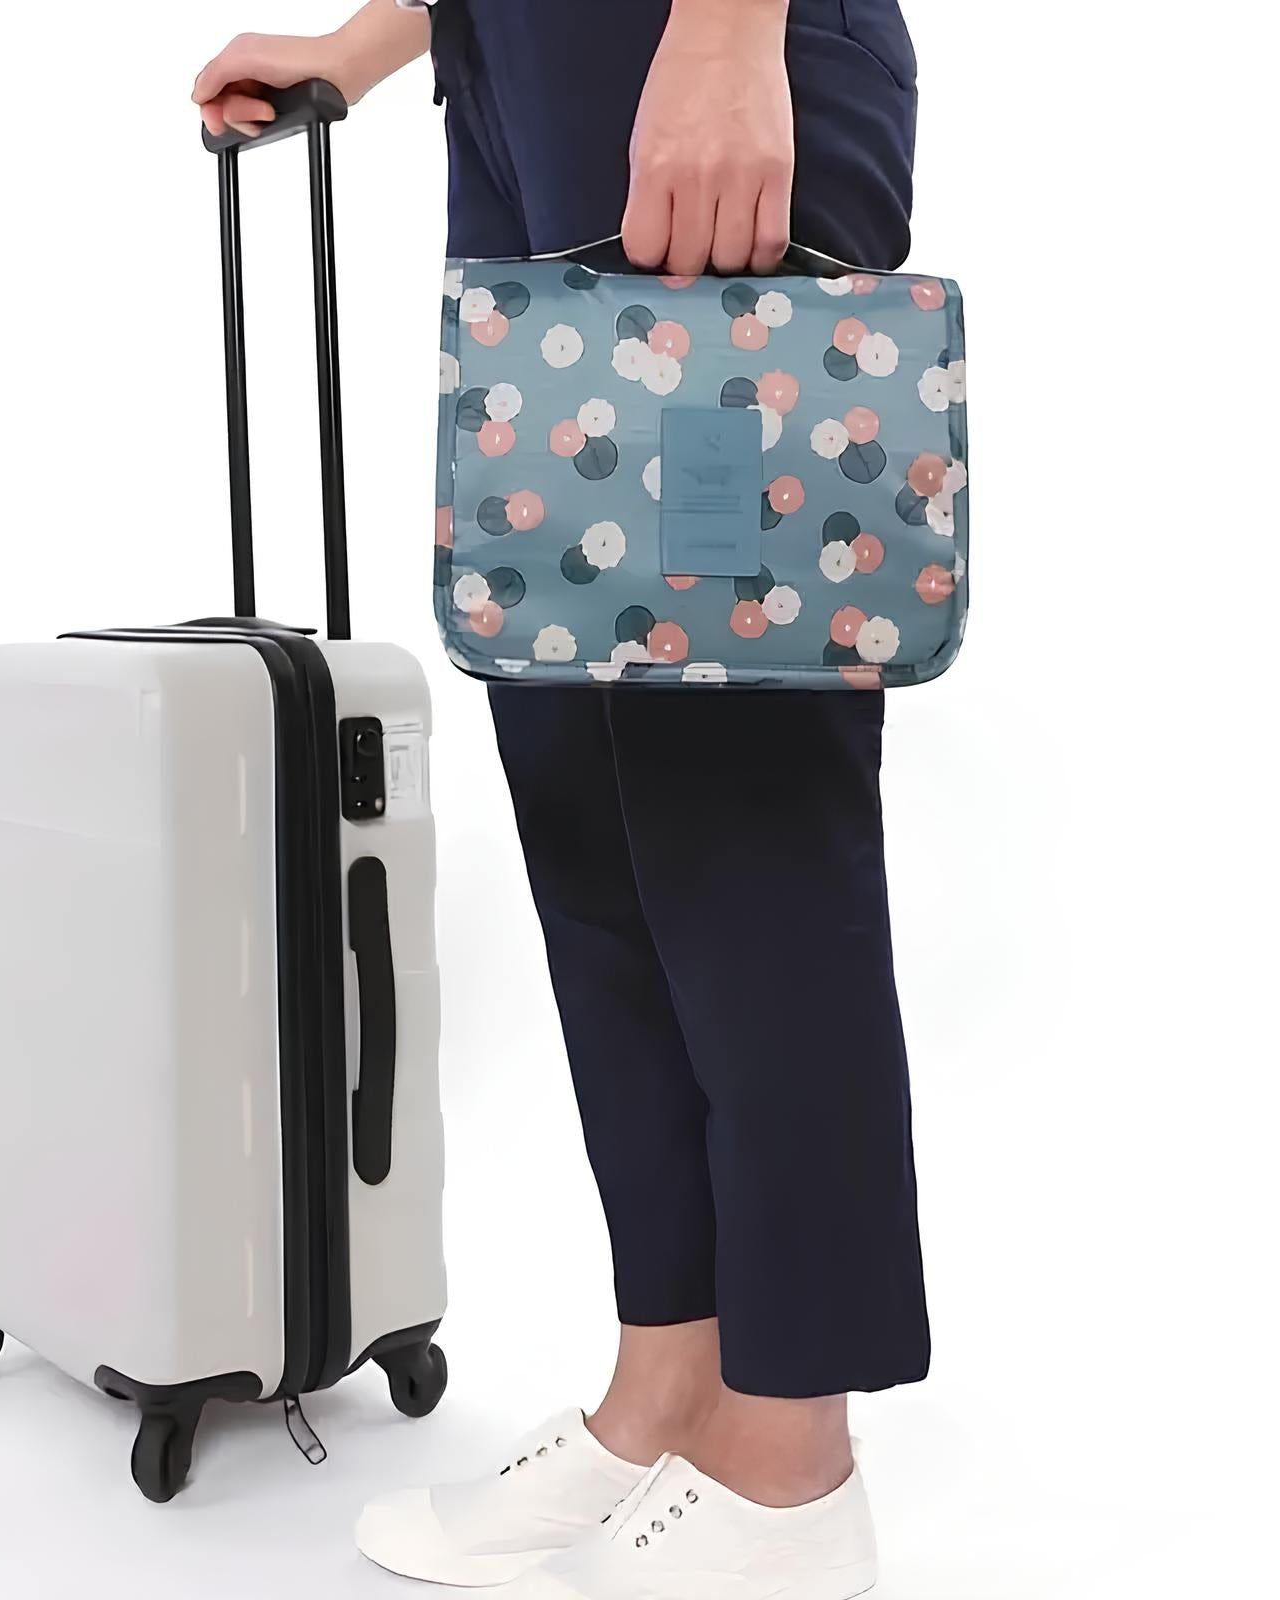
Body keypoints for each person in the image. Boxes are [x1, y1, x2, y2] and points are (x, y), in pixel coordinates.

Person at [194, 2, 926, 1594]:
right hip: (518, 73)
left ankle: (789, 1461)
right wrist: (374, 45)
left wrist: (733, 33)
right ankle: (664, 1387)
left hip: (685, 34)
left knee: (734, 787)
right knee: (581, 783)